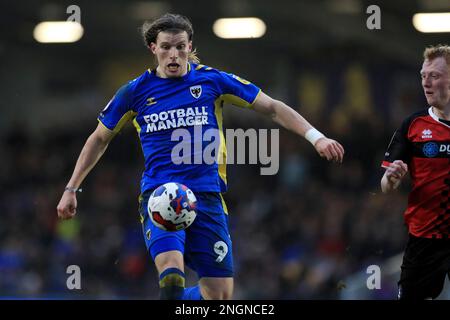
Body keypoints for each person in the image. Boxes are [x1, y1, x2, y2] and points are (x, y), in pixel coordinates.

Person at [57, 13, 344, 300]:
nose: (174, 54)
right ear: (153, 48)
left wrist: (316, 137)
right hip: (161, 195)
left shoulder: (213, 81)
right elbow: (98, 138)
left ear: (190, 45)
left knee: (218, 296)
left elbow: (271, 107)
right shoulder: (135, 92)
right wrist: (71, 188)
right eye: (166, 47)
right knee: (171, 273)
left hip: (207, 197)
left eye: (180, 46)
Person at [381, 44, 450, 300]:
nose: (426, 83)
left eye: (435, 75)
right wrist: (391, 177)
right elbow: (385, 185)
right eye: (423, 76)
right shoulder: (413, 125)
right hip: (425, 238)